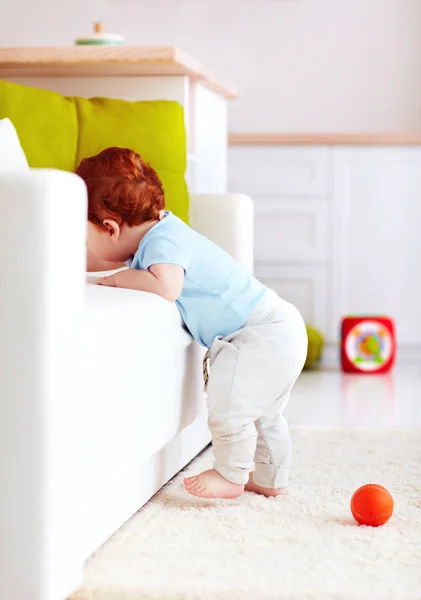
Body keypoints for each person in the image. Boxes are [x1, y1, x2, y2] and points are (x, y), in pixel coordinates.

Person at [77, 147, 308, 500]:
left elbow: (166, 287)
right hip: (279, 327)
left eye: (85, 233)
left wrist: (121, 279)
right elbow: (96, 258)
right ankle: (271, 478)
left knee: (229, 405)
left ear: (110, 227)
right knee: (265, 414)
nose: (87, 243)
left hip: (259, 335)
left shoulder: (164, 241)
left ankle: (231, 476)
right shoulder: (159, 231)